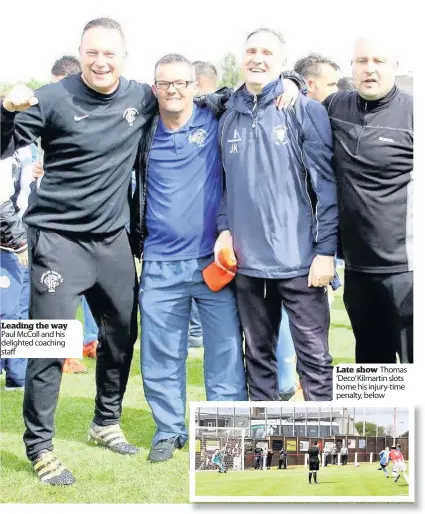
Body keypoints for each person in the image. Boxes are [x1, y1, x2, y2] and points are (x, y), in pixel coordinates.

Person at [0, 18, 158, 486]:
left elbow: (194, 99)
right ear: (81, 52)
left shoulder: (142, 97)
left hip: (112, 243)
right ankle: (40, 448)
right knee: (48, 345)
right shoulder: (51, 99)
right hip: (59, 242)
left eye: (110, 53)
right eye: (92, 52)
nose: (100, 61)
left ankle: (105, 421)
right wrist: (6, 112)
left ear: (124, 57)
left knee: (122, 334)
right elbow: (3, 143)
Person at [133, 54, 248, 464]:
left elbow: (261, 86)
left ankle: (226, 432)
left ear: (195, 86)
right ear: (154, 88)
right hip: (160, 263)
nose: (174, 90)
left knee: (224, 350)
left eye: (181, 82)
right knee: (161, 352)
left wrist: (289, 83)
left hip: (213, 261)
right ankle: (169, 429)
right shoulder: (142, 129)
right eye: (165, 84)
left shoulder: (216, 117)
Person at [215, 28, 337, 401]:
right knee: (257, 357)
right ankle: (264, 439)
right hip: (248, 265)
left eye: (267, 52)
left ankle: (322, 441)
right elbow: (223, 185)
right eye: (251, 50)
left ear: (281, 62)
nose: (257, 58)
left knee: (314, 359)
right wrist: (223, 230)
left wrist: (326, 251)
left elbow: (326, 185)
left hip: (300, 262)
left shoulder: (304, 109)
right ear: (241, 58)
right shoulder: (226, 114)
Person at [323, 36, 413, 363]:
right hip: (358, 273)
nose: (369, 69)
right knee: (374, 378)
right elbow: (300, 107)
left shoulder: (413, 114)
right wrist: (290, 82)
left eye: (379, 61)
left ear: (395, 67)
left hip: (408, 273)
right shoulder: (335, 106)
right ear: (352, 66)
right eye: (362, 61)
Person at [0, 142, 35, 389]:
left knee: (22, 311)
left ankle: (17, 374)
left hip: (24, 230)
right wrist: (18, 240)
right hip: (8, 239)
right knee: (7, 312)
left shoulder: (29, 147)